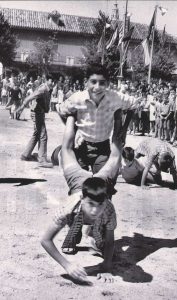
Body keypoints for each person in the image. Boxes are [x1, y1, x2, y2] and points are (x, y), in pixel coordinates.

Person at [41, 116, 121, 283]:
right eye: (90, 204)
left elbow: (111, 241)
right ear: (83, 200)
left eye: (99, 204)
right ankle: (71, 116)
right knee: (67, 149)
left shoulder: (108, 208)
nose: (95, 210)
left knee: (116, 153)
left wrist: (106, 267)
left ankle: (118, 113)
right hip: (78, 181)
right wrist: (67, 265)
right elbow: (45, 240)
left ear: (105, 201)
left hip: (101, 181)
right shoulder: (69, 206)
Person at [56, 65, 130, 173]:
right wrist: (74, 129)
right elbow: (61, 110)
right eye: (93, 82)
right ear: (86, 82)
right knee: (80, 182)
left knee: (102, 182)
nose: (97, 87)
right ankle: (60, 154)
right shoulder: (77, 98)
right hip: (81, 145)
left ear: (108, 83)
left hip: (102, 148)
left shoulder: (115, 98)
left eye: (102, 83)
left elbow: (136, 105)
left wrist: (124, 129)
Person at [16, 75, 53, 167]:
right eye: (51, 81)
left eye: (53, 82)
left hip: (39, 113)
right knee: (43, 135)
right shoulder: (43, 89)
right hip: (37, 113)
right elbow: (30, 97)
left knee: (37, 134)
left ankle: (25, 155)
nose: (53, 83)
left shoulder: (47, 89)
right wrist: (22, 107)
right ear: (46, 80)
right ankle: (42, 160)